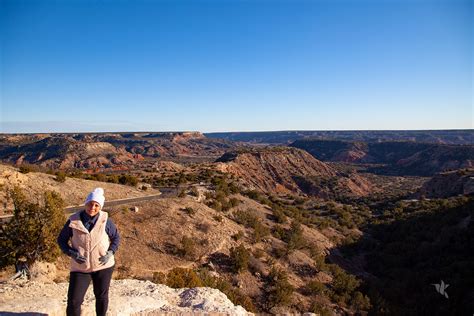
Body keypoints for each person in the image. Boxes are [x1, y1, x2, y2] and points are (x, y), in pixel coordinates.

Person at [57, 187, 120, 316]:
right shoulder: (73, 220)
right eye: (90, 204)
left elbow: (116, 237)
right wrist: (72, 253)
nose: (93, 207)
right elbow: (61, 240)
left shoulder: (105, 220)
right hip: (80, 267)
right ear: (86, 204)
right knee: (74, 301)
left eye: (96, 205)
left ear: (100, 207)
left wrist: (110, 252)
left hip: (103, 266)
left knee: (101, 297)